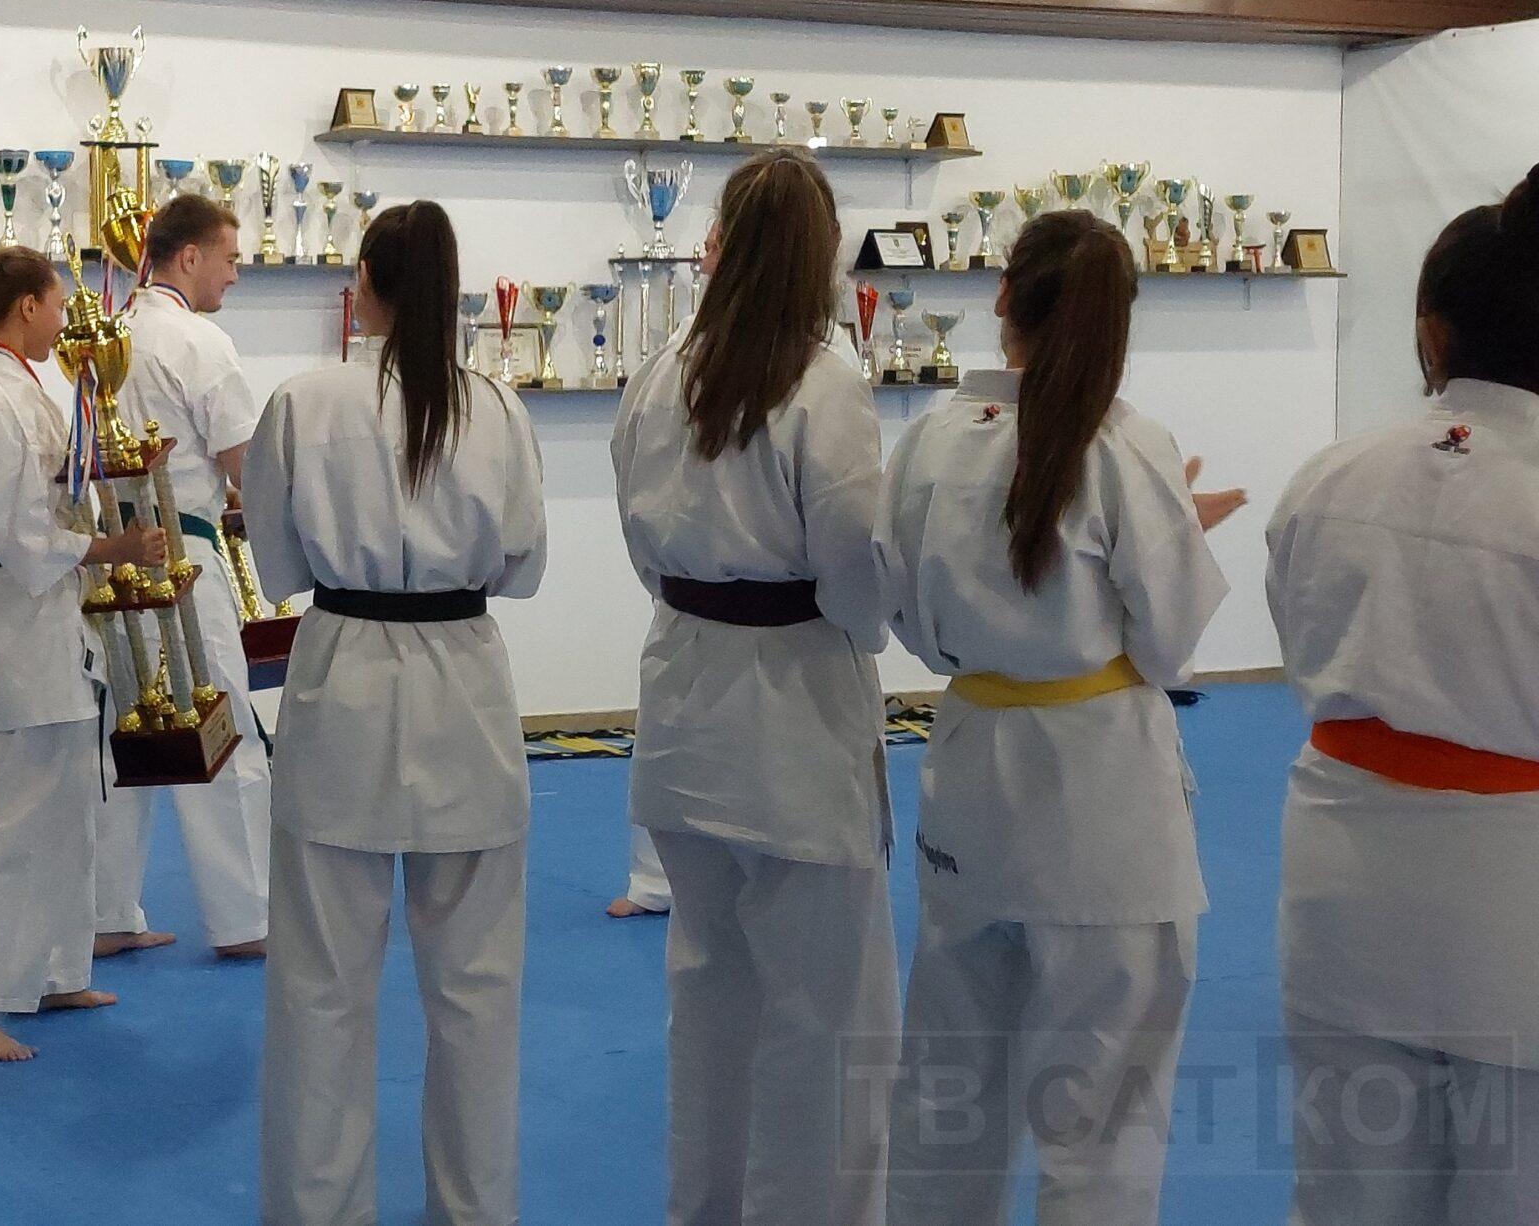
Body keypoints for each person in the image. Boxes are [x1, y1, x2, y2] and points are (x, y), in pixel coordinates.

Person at [877, 209, 1246, 1225]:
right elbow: (1167, 643)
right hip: (1101, 794)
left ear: (1004, 299)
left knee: (947, 1096)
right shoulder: (1127, 448)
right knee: (1102, 1119)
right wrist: (1181, 532)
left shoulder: (930, 441)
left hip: (970, 771)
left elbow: (903, 612)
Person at [244, 199, 547, 1226]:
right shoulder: (496, 409)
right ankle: (475, 1210)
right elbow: (521, 564)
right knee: (477, 993)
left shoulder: (303, 402)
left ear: (365, 285)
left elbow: (276, 563)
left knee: (320, 989)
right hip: (463, 679)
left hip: (344, 674)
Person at [611, 147, 898, 1226]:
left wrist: (706, 602)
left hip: (685, 690)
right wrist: (864, 628)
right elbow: (856, 569)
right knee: (825, 1018)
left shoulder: (660, 373)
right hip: (798, 711)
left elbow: (642, 542)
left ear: (720, 247)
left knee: (710, 998)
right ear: (821, 258)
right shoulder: (824, 384)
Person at [1266, 166, 1539, 1225]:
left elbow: (1301, 644)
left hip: (1343, 867)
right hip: (1513, 884)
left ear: (1432, 333)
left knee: (1347, 1188)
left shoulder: (1331, 474)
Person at [0, 241, 169, 1063]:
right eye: (59, 304)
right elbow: (26, 535)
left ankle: (55, 969)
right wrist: (114, 549)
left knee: (69, 801)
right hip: (18, 611)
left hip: (41, 613)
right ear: (27, 306)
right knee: (24, 810)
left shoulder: (13, 392)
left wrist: (123, 464)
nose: (65, 320)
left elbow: (55, 491)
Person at [93, 194, 273, 963]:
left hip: (111, 560)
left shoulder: (107, 336)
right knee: (221, 724)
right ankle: (250, 917)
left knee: (122, 736)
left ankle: (106, 913)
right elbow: (246, 465)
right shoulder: (200, 341)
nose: (234, 275)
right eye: (229, 259)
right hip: (184, 556)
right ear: (189, 256)